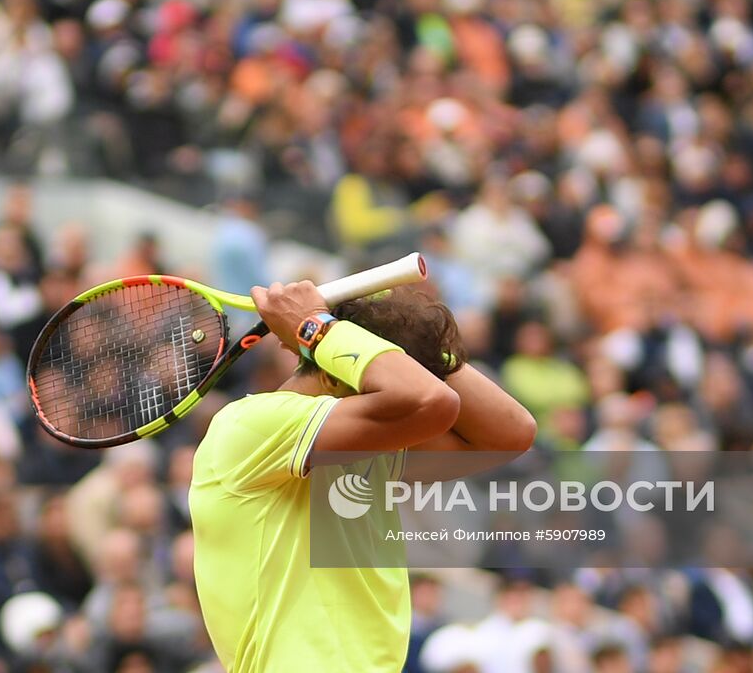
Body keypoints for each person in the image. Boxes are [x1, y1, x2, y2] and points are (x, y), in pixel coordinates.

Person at [189, 282, 535, 671]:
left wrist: (397, 340)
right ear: (337, 377)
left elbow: (511, 432)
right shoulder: (251, 426)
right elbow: (430, 401)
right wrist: (314, 327)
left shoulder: (369, 448)